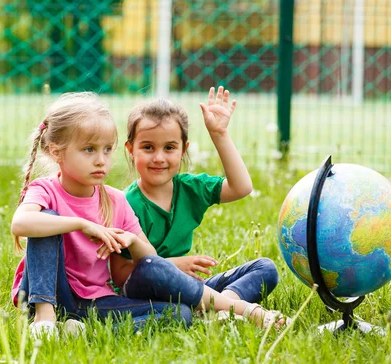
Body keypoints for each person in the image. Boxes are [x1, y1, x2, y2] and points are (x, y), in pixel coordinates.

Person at [10, 92, 286, 339]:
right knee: (45, 219)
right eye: (90, 150)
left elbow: (149, 258)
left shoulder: (116, 200)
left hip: (99, 301)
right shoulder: (48, 189)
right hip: (56, 293)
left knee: (183, 313)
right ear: (56, 152)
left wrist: (131, 239)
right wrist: (84, 224)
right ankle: (45, 319)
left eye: (107, 150)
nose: (100, 160)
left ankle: (80, 332)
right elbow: (22, 223)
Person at [113, 86, 279, 309]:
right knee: (177, 308)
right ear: (131, 149)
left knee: (265, 268)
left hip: (189, 287)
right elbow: (120, 276)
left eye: (170, 147)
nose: (159, 157)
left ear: (183, 150)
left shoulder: (190, 188)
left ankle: (222, 306)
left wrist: (219, 135)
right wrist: (174, 266)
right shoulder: (124, 204)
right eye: (148, 147)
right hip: (143, 293)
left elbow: (241, 187)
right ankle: (219, 308)